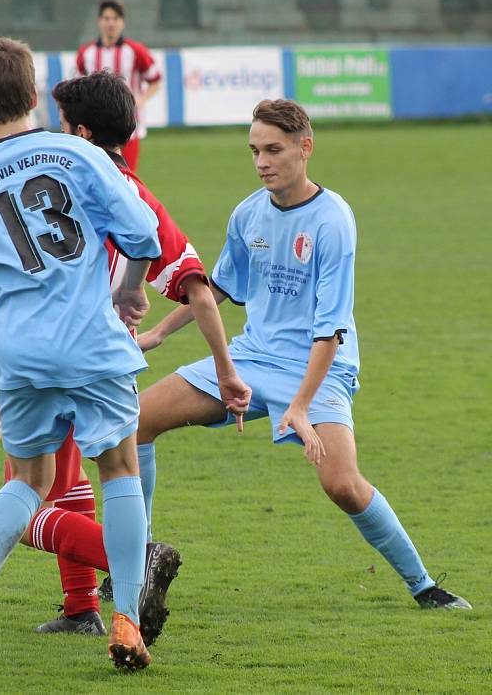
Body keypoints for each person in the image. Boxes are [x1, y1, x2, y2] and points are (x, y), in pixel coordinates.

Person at [134, 98, 472, 612]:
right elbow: (218, 286)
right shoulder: (248, 214)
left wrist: (299, 406)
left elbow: (330, 331)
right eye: (254, 151)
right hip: (253, 356)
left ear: (304, 148)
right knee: (135, 422)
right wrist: (159, 332)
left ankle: (424, 585)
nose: (262, 161)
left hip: (320, 366)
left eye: (273, 149)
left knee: (341, 484)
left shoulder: (333, 221)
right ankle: (136, 558)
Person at [0, 38, 163, 680]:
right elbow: (141, 231)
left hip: (18, 355)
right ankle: (128, 621)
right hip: (90, 342)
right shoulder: (77, 152)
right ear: (34, 96)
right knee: (118, 472)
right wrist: (131, 286)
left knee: (26, 482)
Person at [17, 70, 249, 643]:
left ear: (82, 131)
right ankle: (80, 610)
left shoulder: (55, 185)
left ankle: (133, 560)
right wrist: (225, 370)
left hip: (51, 361)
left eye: (62, 123)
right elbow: (198, 288)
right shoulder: (142, 198)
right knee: (71, 486)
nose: (55, 131)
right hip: (108, 370)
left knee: (23, 505)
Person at [76, 0, 161, 172]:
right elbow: (78, 86)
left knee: (126, 176)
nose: (111, 23)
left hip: (127, 127)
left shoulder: (136, 51)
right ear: (99, 21)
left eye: (115, 19)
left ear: (122, 23)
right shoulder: (87, 53)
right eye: (107, 18)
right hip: (95, 127)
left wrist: (140, 100)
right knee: (98, 175)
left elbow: (155, 80)